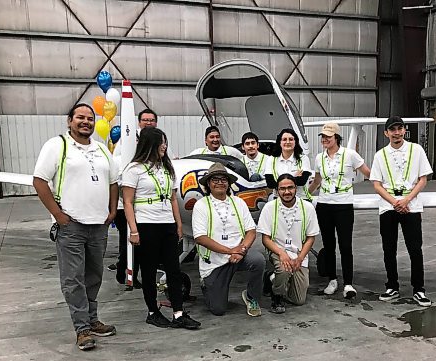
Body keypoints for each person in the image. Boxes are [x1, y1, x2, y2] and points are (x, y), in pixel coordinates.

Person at [33, 103, 118, 351]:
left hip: (98, 226)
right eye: (80, 117)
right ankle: (82, 329)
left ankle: (92, 320)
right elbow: (39, 181)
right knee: (73, 280)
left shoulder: (102, 150)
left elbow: (113, 182)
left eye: (90, 118)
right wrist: (58, 215)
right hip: (71, 226)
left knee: (94, 276)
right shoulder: (57, 145)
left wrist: (112, 210)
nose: (86, 122)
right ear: (70, 120)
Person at [122, 127, 201, 329]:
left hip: (167, 224)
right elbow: (128, 202)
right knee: (148, 271)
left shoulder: (167, 169)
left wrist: (178, 224)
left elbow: (174, 198)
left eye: (165, 142)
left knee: (173, 269)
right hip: (146, 224)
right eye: (161, 142)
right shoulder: (134, 170)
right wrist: (133, 230)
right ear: (150, 145)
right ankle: (152, 311)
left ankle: (178, 312)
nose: (165, 146)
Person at [369, 116, 433, 307]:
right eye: (392, 129)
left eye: (399, 129)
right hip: (388, 205)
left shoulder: (417, 150)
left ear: (404, 130)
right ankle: (392, 286)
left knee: (415, 248)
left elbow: (423, 179)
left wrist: (406, 200)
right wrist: (394, 202)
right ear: (386, 133)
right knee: (389, 248)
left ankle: (419, 289)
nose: (396, 133)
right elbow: (377, 184)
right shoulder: (380, 155)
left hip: (411, 204)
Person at [192, 162, 265, 317]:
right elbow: (200, 238)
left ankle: (252, 297)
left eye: (223, 179)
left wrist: (241, 250)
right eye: (215, 179)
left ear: (229, 183)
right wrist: (230, 250)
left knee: (258, 260)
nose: (220, 182)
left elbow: (251, 230)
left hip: (238, 255)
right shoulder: (201, 205)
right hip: (215, 262)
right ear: (208, 184)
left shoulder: (238, 202)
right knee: (218, 310)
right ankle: (208, 285)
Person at [308, 123, 371, 299]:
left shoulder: (350, 154)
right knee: (328, 245)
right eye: (323, 136)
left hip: (343, 205)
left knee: (345, 245)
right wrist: (305, 194)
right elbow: (317, 180)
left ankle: (348, 283)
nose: (325, 139)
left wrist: (383, 188)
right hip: (324, 204)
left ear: (337, 137)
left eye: (329, 136)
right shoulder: (319, 158)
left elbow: (367, 172)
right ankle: (332, 279)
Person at [109, 109, 159, 287]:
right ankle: (124, 271)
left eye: (152, 120)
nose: (148, 122)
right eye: (145, 120)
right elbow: (118, 165)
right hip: (126, 203)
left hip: (146, 204)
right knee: (128, 240)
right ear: (138, 122)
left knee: (142, 243)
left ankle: (134, 272)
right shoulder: (128, 140)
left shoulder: (158, 139)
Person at [258, 174, 319, 313]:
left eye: (290, 187)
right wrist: (281, 254)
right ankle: (277, 296)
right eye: (282, 188)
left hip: (298, 253)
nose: (287, 192)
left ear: (296, 188)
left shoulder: (307, 207)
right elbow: (265, 238)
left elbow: (310, 238)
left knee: (299, 300)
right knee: (284, 269)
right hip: (278, 251)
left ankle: (273, 278)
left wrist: (300, 258)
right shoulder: (269, 208)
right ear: (277, 191)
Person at [265, 128, 312, 201]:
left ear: (295, 142)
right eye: (284, 139)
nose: (287, 142)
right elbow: (270, 183)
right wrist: (294, 177)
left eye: (291, 139)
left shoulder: (303, 159)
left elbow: (302, 181)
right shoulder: (271, 160)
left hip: (301, 199)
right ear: (280, 142)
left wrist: (278, 182)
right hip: (278, 200)